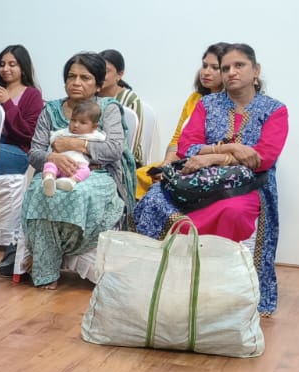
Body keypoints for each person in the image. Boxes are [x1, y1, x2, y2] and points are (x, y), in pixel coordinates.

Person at [135, 43, 289, 314]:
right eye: (226, 67)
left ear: (256, 71)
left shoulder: (275, 110)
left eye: (238, 65)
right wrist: (228, 149)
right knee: (154, 198)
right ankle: (169, 287)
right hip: (198, 181)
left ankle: (221, 293)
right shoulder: (207, 104)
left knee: (231, 211)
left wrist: (215, 156)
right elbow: (187, 146)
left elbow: (263, 157)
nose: (231, 72)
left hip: (248, 187)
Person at [22, 52, 128, 289]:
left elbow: (113, 150)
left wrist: (70, 144)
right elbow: (34, 152)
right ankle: (47, 266)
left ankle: (63, 249)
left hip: (97, 173)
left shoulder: (107, 109)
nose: (76, 82)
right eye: (71, 76)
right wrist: (52, 156)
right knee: (42, 192)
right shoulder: (50, 110)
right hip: (55, 171)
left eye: (85, 77)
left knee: (78, 194)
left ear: (99, 84)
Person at [136, 43, 228, 198]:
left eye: (214, 67)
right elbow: (177, 138)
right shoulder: (194, 99)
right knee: (139, 175)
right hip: (178, 161)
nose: (206, 72)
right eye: (204, 66)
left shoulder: (230, 105)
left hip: (206, 166)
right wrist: (166, 164)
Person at [0, 44, 43, 275]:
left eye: (12, 64)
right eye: (2, 64)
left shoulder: (32, 95)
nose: (6, 69)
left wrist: (8, 103)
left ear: (23, 67)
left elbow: (28, 134)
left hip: (18, 153)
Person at [98, 48, 154, 194]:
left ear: (120, 74)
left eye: (107, 71)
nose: (101, 75)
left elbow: (132, 144)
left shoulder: (129, 100)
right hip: (94, 154)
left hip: (122, 158)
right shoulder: (91, 95)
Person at [41, 101, 106, 196]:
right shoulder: (65, 132)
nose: (76, 125)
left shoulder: (95, 136)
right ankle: (49, 179)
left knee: (85, 171)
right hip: (59, 164)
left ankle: (71, 181)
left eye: (82, 122)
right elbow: (53, 138)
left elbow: (104, 145)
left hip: (77, 167)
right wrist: (54, 143)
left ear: (94, 127)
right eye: (73, 120)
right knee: (50, 164)